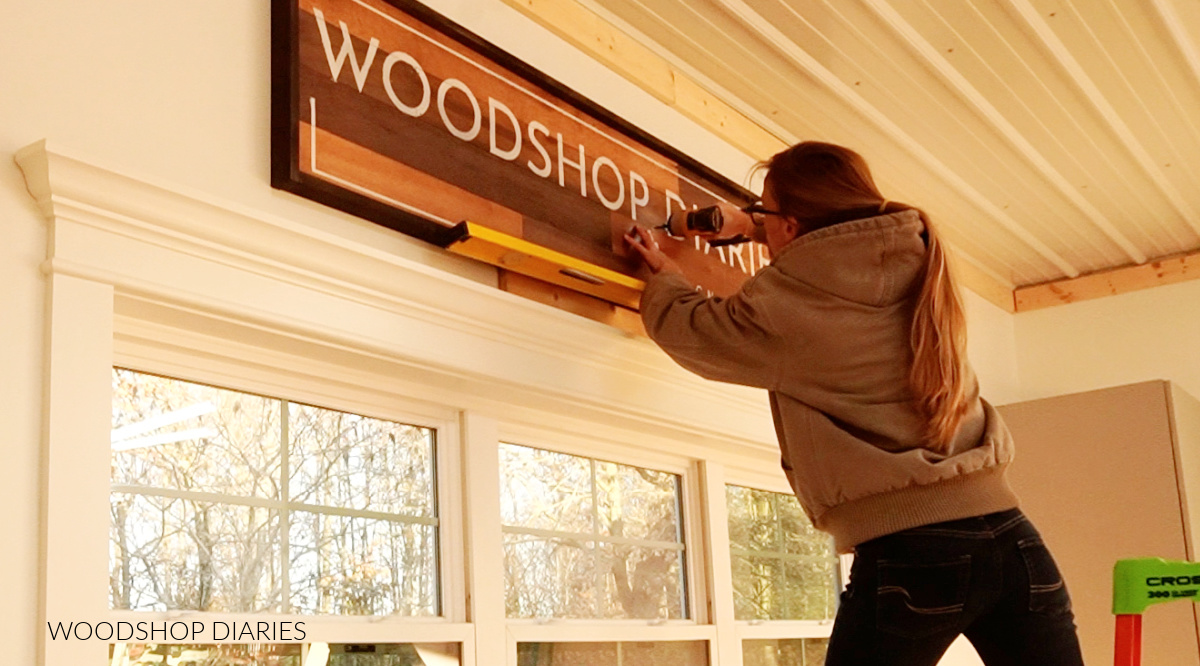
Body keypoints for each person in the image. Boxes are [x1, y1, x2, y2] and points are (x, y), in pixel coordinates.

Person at [624, 141, 1085, 665]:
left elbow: (697, 333)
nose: (760, 224)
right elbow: (840, 246)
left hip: (912, 555)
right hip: (1013, 539)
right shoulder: (917, 254)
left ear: (794, 225)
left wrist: (663, 277)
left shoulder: (785, 304)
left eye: (766, 214)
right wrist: (754, 227)